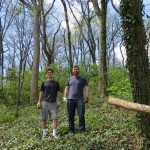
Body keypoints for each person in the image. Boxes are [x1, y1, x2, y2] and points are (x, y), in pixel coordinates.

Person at [63, 65, 89, 134]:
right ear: (72, 70)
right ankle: (71, 130)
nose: (75, 70)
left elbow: (86, 87)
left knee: (81, 115)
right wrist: (65, 96)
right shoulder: (69, 79)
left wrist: (86, 97)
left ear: (78, 70)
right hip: (70, 99)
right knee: (70, 115)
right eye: (74, 69)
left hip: (80, 99)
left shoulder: (83, 79)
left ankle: (82, 130)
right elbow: (66, 88)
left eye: (77, 69)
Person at [37, 68, 60, 138]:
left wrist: (58, 100)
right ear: (46, 74)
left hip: (53, 102)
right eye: (48, 72)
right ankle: (44, 134)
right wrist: (39, 101)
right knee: (43, 118)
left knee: (54, 118)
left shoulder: (56, 83)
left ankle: (54, 134)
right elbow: (41, 92)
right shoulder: (44, 83)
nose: (49, 73)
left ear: (52, 74)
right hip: (44, 102)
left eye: (50, 72)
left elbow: (58, 92)